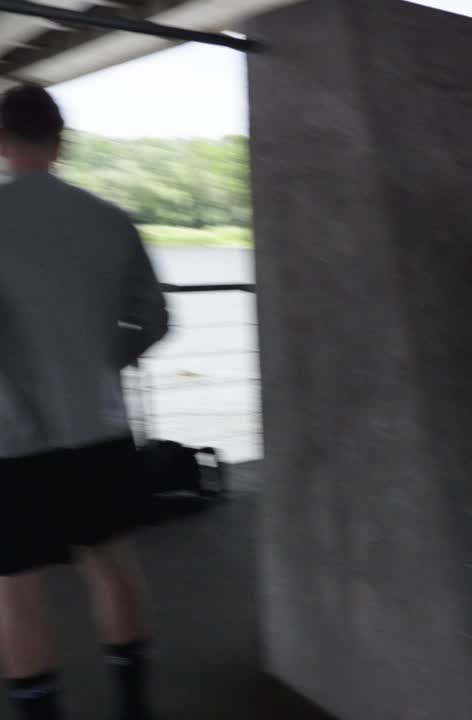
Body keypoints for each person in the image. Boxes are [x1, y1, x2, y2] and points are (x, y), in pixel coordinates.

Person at [0, 84, 168, 720]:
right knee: (113, 564)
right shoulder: (110, 219)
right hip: (97, 423)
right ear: (60, 141)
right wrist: (101, 364)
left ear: (1, 141)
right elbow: (151, 319)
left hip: (12, 438)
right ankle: (133, 705)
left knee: (15, 586)